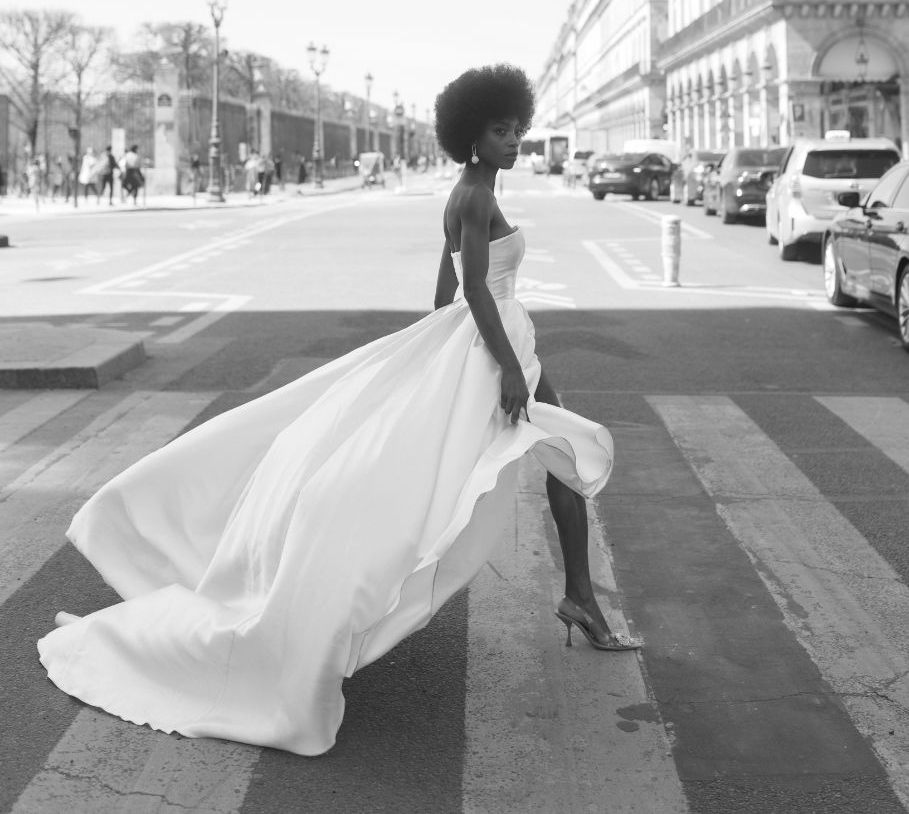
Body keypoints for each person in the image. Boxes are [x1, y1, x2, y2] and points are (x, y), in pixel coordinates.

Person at [37, 63, 635, 756]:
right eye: (501, 129)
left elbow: (442, 293)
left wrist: (429, 365)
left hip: (485, 344)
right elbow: (472, 288)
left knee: (562, 452)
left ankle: (580, 593)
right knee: (530, 458)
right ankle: (572, 594)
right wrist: (494, 365)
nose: (513, 139)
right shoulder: (473, 193)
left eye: (516, 128)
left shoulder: (472, 190)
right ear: (472, 132)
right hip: (493, 346)